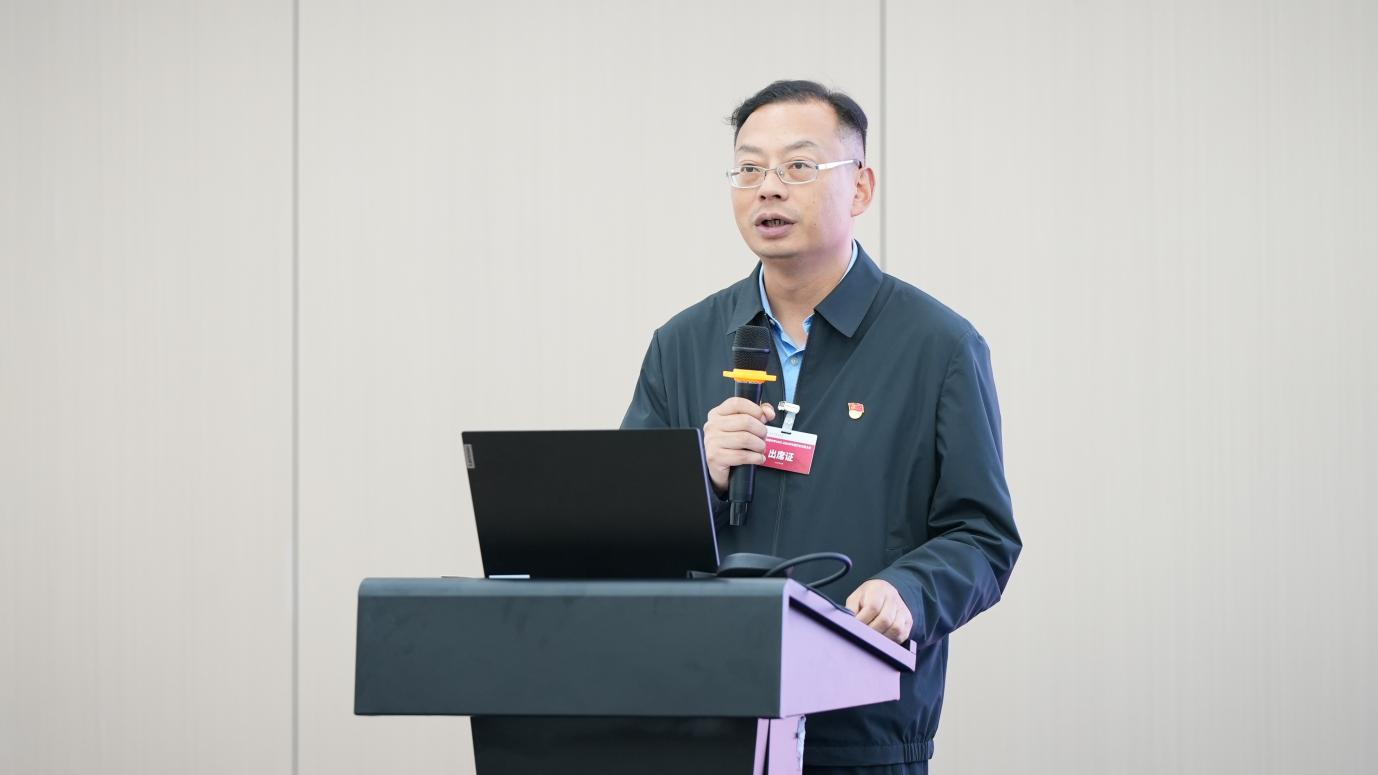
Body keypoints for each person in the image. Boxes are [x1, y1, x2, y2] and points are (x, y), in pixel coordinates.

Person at [621, 80, 1021, 775]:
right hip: (702, 724)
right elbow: (619, 535)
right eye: (749, 168)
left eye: (798, 166)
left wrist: (910, 592)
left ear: (860, 187)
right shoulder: (683, 343)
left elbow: (983, 536)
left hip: (862, 731)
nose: (768, 187)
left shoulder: (938, 347)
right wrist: (697, 473)